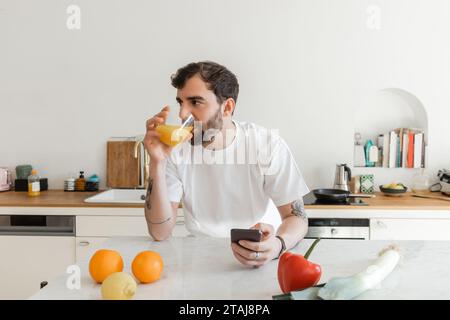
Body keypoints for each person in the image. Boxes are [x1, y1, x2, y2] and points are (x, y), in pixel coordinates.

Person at [143, 61, 309, 267]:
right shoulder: (176, 150)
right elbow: (159, 232)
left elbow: (298, 218)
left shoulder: (266, 144)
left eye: (195, 102)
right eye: (181, 102)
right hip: (198, 258)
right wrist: (157, 163)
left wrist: (277, 245)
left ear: (227, 107)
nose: (182, 114)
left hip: (262, 254)